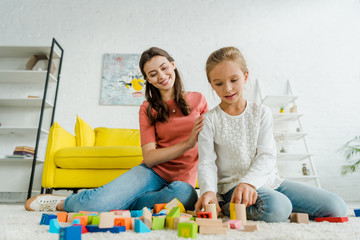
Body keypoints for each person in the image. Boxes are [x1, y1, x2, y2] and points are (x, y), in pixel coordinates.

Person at [25, 47, 208, 213]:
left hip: (181, 182)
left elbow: (212, 145)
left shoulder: (198, 100)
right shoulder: (147, 108)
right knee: (92, 207)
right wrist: (188, 144)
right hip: (152, 173)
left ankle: (119, 203)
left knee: (187, 196)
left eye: (164, 67)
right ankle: (65, 202)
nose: (161, 75)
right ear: (148, 80)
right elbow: (150, 157)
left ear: (173, 65)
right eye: (153, 74)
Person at [195, 46, 347, 222]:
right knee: (278, 207)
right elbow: (207, 162)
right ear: (211, 84)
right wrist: (208, 192)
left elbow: (267, 155)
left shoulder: (261, 112)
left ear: (245, 76)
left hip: (268, 182)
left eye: (234, 80)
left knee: (337, 207)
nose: (227, 88)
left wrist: (249, 182)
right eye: (219, 83)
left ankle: (276, 208)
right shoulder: (209, 120)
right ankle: (227, 208)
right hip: (232, 188)